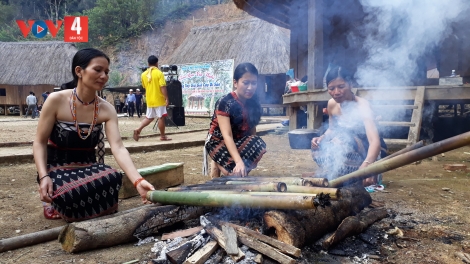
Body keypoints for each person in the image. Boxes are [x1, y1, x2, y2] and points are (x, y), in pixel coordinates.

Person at [32, 48, 155, 222]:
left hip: (88, 166)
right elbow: (39, 142)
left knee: (113, 177)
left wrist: (137, 181)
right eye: (98, 70)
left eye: (106, 72)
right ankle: (54, 200)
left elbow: (118, 148)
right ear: (79, 71)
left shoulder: (106, 109)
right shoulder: (56, 100)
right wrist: (44, 176)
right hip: (57, 167)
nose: (103, 76)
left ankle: (71, 205)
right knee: (68, 191)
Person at [310, 66, 387, 186]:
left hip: (369, 152)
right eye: (331, 88)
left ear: (350, 84)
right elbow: (331, 128)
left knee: (342, 139)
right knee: (320, 146)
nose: (336, 92)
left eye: (341, 87)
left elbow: (374, 141)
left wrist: (367, 164)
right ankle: (339, 171)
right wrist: (321, 138)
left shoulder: (362, 106)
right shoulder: (332, 104)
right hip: (346, 149)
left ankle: (360, 173)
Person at [204, 62, 266, 178]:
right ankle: (218, 162)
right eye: (246, 83)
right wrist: (239, 162)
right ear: (235, 82)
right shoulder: (225, 102)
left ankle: (235, 169)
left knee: (258, 143)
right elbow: (227, 135)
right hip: (218, 142)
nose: (250, 87)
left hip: (238, 141)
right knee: (231, 172)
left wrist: (248, 159)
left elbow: (252, 130)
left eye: (254, 83)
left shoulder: (254, 102)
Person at [133, 55, 170, 141]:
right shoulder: (159, 73)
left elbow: (145, 87)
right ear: (157, 63)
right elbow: (163, 87)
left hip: (149, 99)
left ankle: (138, 129)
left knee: (149, 118)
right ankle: (162, 136)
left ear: (148, 63)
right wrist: (167, 98)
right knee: (161, 117)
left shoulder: (143, 75)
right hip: (159, 99)